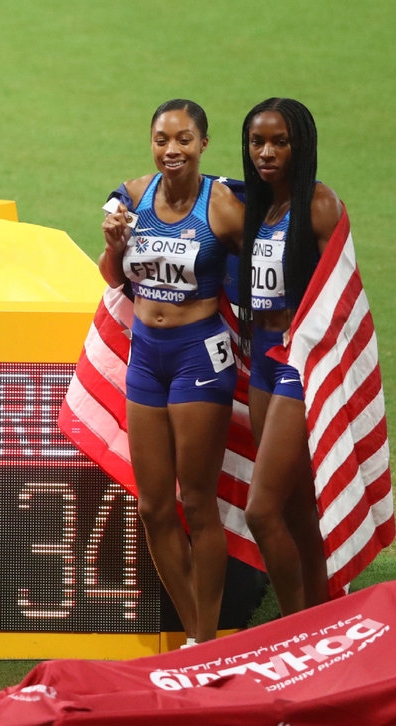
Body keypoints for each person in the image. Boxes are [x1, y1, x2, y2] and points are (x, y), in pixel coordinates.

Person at [99, 99, 244, 644]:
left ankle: (206, 639)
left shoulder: (222, 206)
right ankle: (194, 634)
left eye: (184, 139)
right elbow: (113, 277)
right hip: (146, 357)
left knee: (197, 503)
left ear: (203, 143)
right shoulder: (133, 198)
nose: (172, 149)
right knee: (153, 506)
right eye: (162, 139)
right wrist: (114, 246)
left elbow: (265, 266)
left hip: (198, 357)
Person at [237, 98, 335, 616]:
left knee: (261, 510)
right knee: (296, 507)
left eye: (280, 142)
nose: (267, 153)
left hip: (298, 365)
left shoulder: (318, 205)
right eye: (258, 142)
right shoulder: (261, 207)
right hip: (262, 362)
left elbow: (343, 291)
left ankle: (296, 623)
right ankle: (319, 614)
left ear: (302, 145)